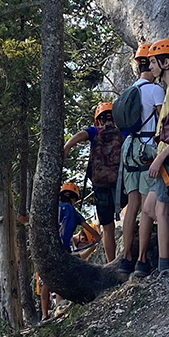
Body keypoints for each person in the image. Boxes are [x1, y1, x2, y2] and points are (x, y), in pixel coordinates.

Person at [132, 38, 169, 274]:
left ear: (165, 62)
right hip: (163, 157)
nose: (150, 67)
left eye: (153, 62)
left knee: (160, 211)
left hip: (167, 159)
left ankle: (165, 265)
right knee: (150, 208)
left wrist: (159, 159)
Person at [118, 43, 165, 275]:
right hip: (147, 149)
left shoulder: (130, 90)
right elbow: (163, 118)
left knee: (132, 204)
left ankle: (125, 257)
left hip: (129, 149)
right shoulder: (155, 90)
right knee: (148, 207)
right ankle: (142, 259)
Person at [64, 102, 125, 262]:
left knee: (108, 228)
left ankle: (111, 263)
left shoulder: (94, 131)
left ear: (97, 120)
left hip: (101, 186)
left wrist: (67, 147)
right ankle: (128, 257)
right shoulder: (121, 132)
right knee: (131, 214)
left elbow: (80, 135)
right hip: (121, 184)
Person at [40, 182, 101, 320]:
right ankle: (60, 305)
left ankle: (44, 314)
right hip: (62, 250)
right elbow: (88, 228)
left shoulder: (51, 209)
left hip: (46, 249)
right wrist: (97, 238)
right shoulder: (73, 212)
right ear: (74, 199)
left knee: (45, 282)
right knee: (61, 277)